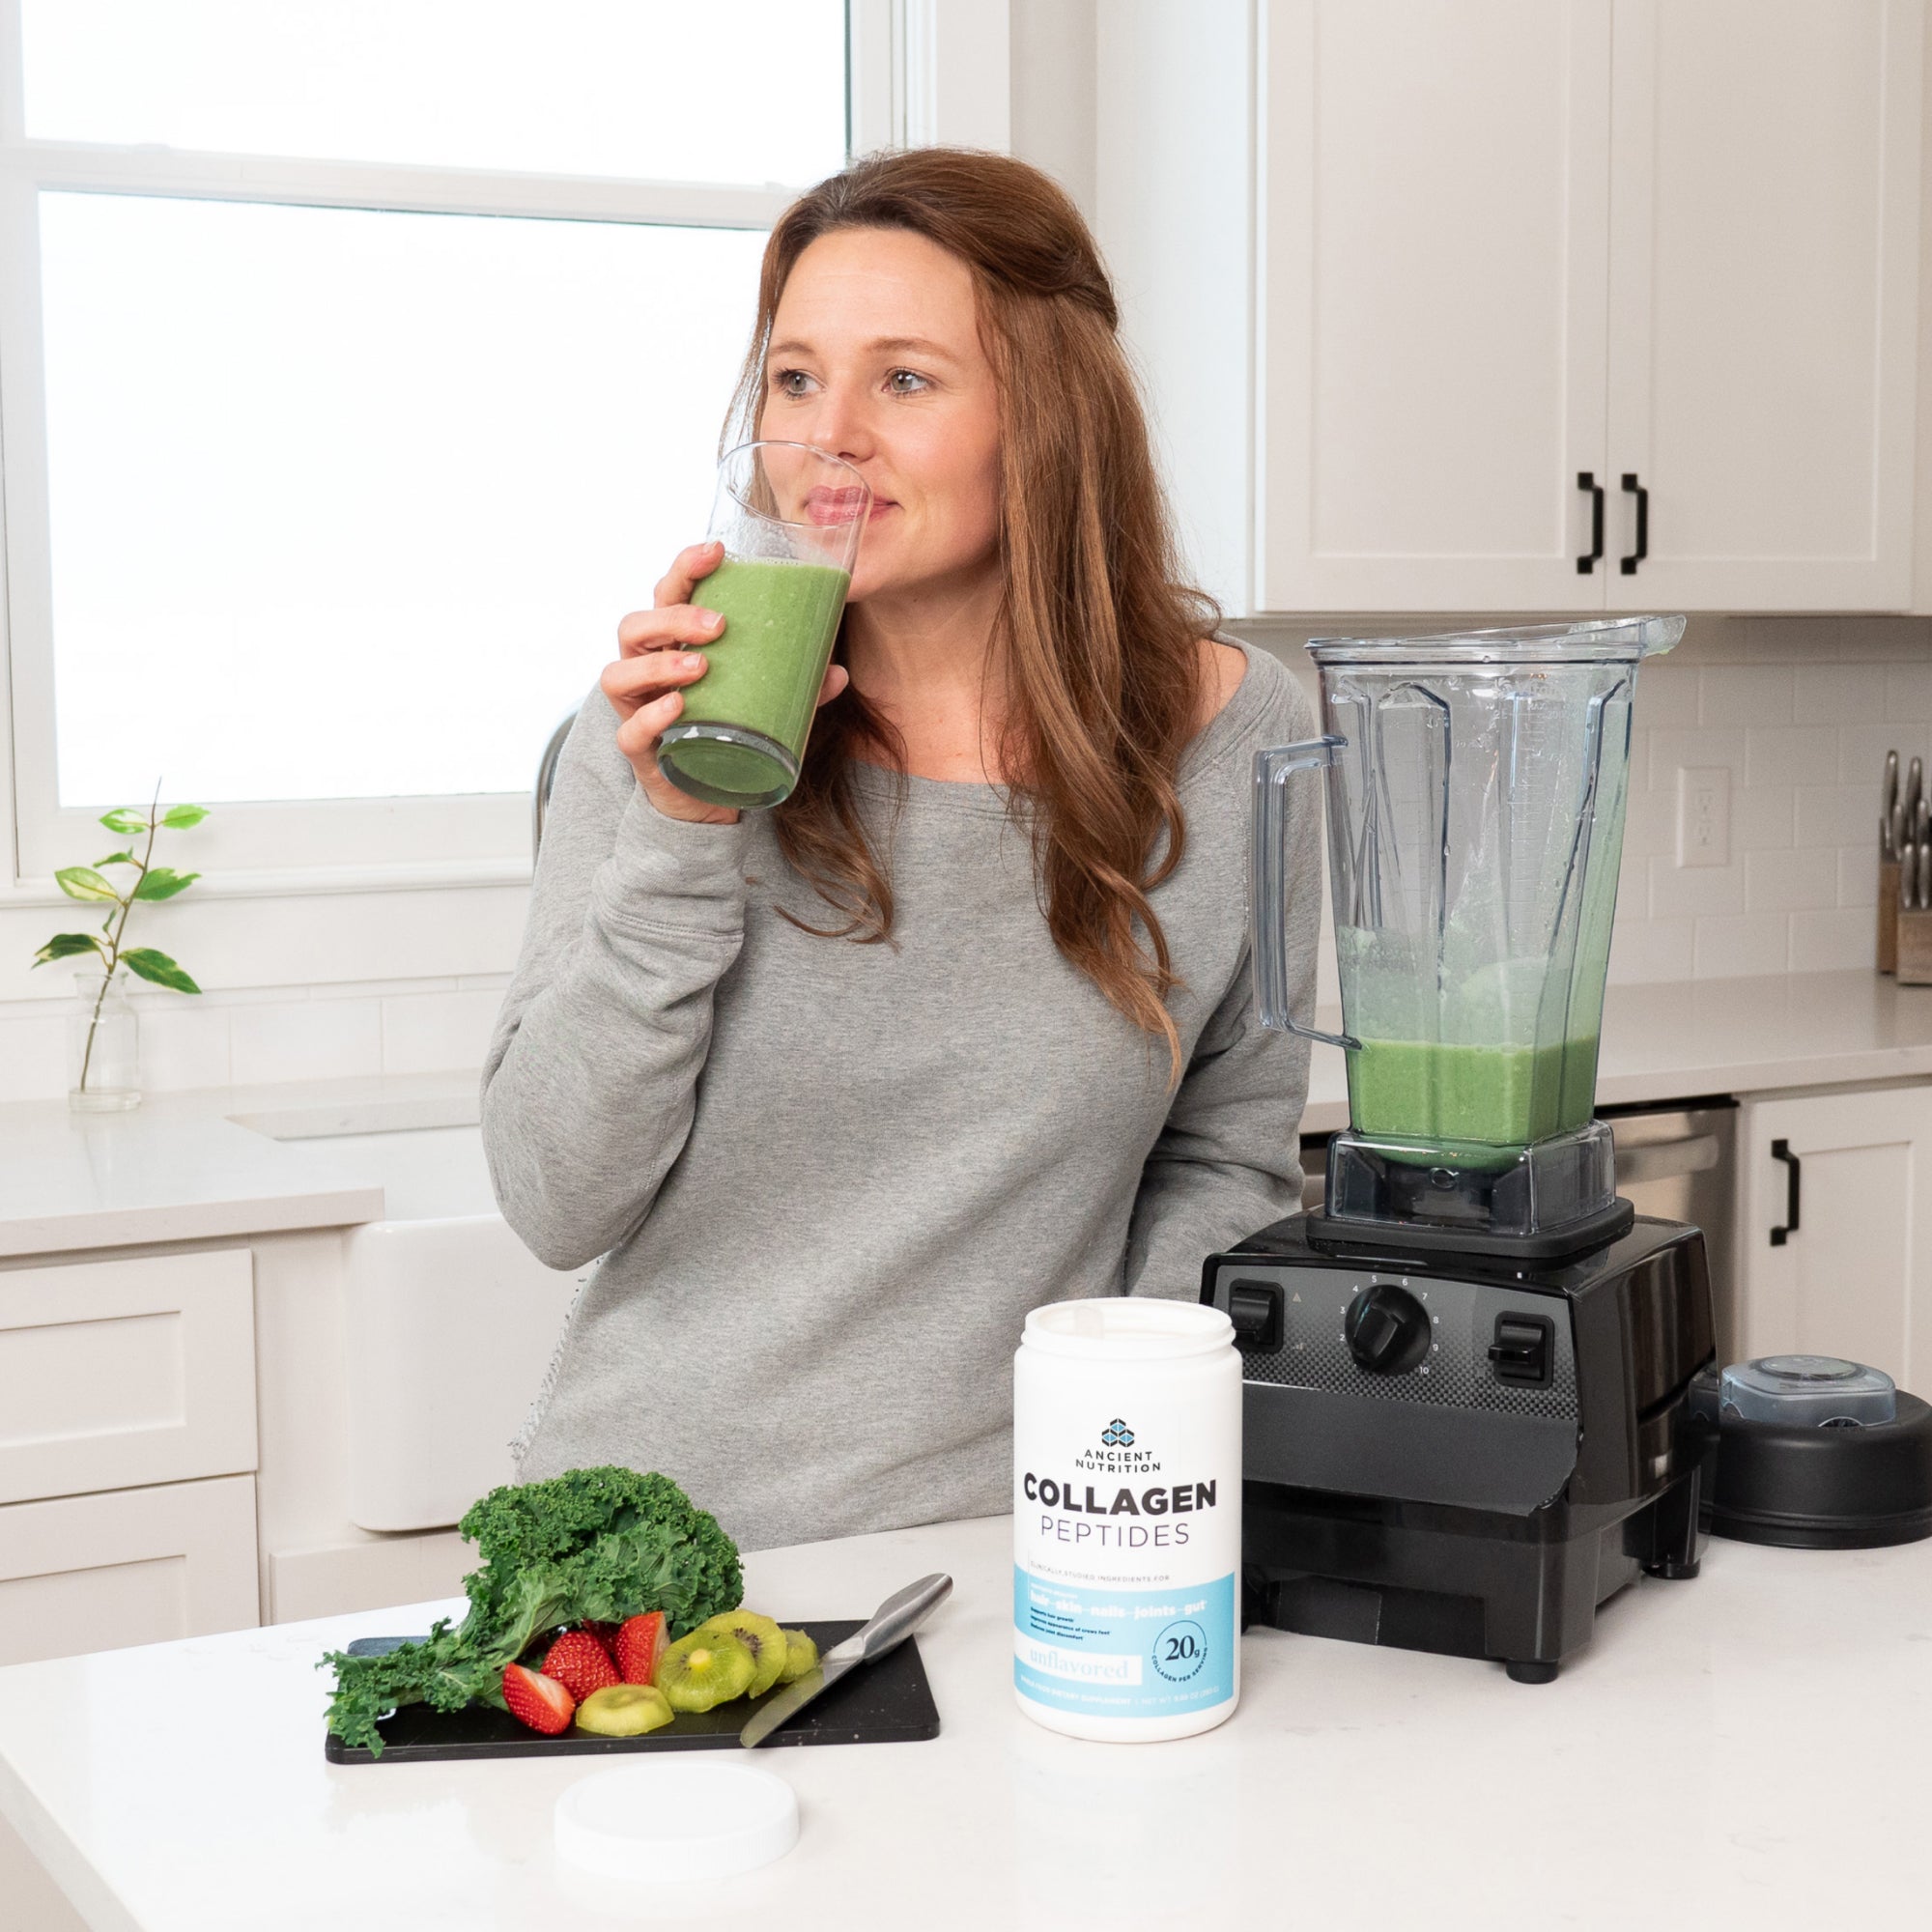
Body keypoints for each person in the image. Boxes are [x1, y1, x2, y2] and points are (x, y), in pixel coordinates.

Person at [483, 147, 1321, 1552]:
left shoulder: (1237, 738)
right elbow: (558, 1200)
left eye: (906, 380)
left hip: (1035, 1546)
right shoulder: (659, 734)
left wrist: (1116, 1468)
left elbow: (1230, 1157)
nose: (828, 440)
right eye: (796, 379)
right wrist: (683, 826)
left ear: (1047, 419)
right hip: (659, 1559)